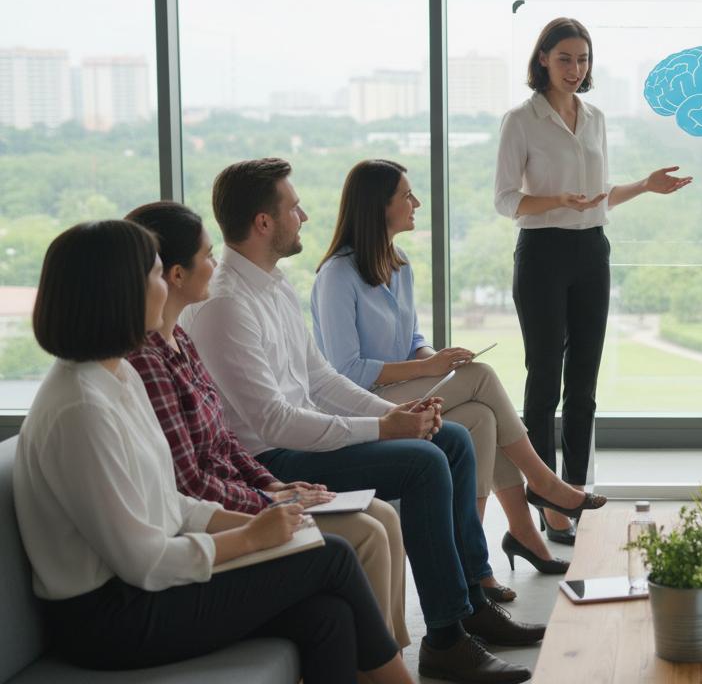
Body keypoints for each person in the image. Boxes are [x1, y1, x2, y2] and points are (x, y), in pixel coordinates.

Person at [179, 158, 536, 684]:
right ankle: (445, 638)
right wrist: (384, 429)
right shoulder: (227, 305)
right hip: (270, 461)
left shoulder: (272, 284)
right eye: (294, 207)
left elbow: (320, 379)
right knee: (423, 463)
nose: (304, 215)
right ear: (263, 223)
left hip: (301, 437)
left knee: (454, 439)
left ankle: (470, 602)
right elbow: (274, 423)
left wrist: (394, 413)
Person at [13, 220, 412, 684]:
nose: (165, 286)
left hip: (139, 589)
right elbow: (143, 561)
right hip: (110, 617)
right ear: (120, 292)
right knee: (332, 556)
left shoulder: (117, 376)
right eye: (157, 275)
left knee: (328, 617)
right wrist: (251, 538)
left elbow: (167, 500)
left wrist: (256, 521)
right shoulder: (81, 408)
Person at [311, 159, 606, 600]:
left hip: (403, 388)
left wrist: (438, 360)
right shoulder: (336, 275)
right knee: (481, 377)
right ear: (378, 206)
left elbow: (413, 340)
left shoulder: (398, 264)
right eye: (406, 196)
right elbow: (345, 369)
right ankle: (542, 485)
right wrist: (429, 369)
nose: (416, 203)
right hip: (362, 404)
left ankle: (485, 555)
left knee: (482, 418)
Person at [124, 200, 411, 648]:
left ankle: (388, 655)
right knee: (368, 533)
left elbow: (225, 441)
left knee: (384, 516)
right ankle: (382, 667)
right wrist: (266, 500)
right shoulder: (151, 359)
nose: (215, 265)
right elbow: (190, 482)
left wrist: (275, 487)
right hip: (216, 515)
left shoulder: (179, 339)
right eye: (207, 256)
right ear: (175, 275)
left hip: (243, 489)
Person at [494, 16, 691, 541]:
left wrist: (644, 186)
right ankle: (547, 500)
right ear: (542, 59)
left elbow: (599, 198)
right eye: (565, 59)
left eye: (582, 60)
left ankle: (573, 493)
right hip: (542, 253)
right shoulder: (521, 120)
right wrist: (557, 199)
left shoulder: (595, 117)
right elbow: (506, 200)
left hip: (591, 251)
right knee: (544, 381)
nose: (575, 69)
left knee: (583, 384)